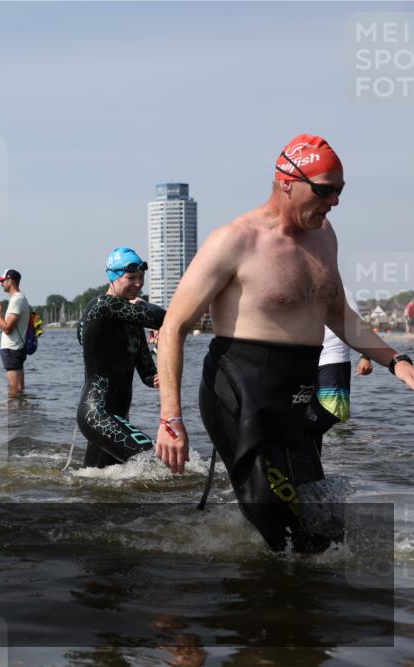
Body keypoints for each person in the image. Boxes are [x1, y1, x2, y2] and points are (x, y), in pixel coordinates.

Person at [155, 133, 414, 553]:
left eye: (340, 191)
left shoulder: (325, 236)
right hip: (241, 394)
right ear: (287, 182)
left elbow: (339, 314)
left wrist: (397, 361)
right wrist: (171, 418)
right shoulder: (234, 241)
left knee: (325, 524)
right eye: (326, 190)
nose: (334, 201)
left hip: (297, 395)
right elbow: (173, 327)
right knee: (289, 531)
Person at [76, 248, 165, 467]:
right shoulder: (100, 307)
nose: (138, 283)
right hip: (98, 415)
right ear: (112, 277)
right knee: (157, 462)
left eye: (141, 278)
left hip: (117, 418)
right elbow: (162, 317)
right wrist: (141, 304)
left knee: (95, 483)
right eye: (131, 278)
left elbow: (146, 371)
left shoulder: (133, 324)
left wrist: (157, 377)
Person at [305, 326, 373, 453]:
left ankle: (341, 453)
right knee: (308, 411)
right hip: (306, 357)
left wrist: (365, 356)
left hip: (333, 359)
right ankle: (320, 452)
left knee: (335, 413)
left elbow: (358, 324)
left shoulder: (346, 304)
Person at [0, 269, 30, 397]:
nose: (1, 284)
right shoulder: (20, 298)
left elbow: (7, 328)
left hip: (12, 349)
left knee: (14, 389)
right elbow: (10, 324)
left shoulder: (16, 300)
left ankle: (14, 414)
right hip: (17, 348)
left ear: (11, 281)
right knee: (19, 388)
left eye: (3, 281)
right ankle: (21, 414)